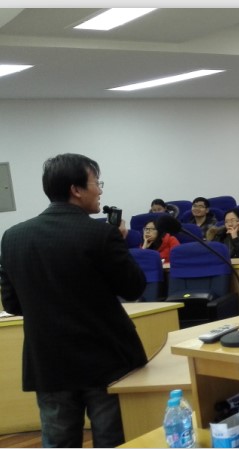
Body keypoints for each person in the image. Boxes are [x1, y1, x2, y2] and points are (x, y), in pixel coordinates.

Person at [0, 153, 147, 447]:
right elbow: (134, 288)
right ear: (76, 189)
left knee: (58, 442)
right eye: (96, 183)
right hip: (105, 360)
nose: (100, 190)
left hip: (49, 363)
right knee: (114, 441)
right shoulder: (101, 234)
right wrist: (118, 243)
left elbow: (12, 305)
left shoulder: (13, 237)